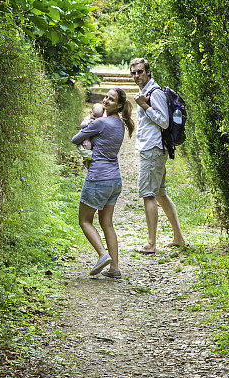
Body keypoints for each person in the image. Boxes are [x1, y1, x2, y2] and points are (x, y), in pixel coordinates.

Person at [71, 89, 134, 278]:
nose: (106, 100)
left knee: (84, 221)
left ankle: (102, 254)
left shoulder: (100, 123)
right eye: (106, 97)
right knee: (107, 223)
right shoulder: (120, 125)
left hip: (98, 178)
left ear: (119, 105)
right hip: (115, 180)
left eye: (111, 99)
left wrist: (88, 123)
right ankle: (114, 268)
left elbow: (76, 139)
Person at [129, 57, 187, 254]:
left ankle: (151, 244)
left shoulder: (155, 93)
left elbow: (163, 121)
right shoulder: (144, 92)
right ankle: (178, 237)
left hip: (153, 149)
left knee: (148, 194)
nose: (137, 76)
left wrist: (144, 106)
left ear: (148, 72)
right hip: (152, 148)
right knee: (160, 194)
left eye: (140, 72)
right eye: (134, 72)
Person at [77, 102, 105, 170]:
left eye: (98, 117)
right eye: (94, 116)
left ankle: (90, 162)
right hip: (86, 138)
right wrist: (88, 123)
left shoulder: (100, 121)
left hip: (93, 138)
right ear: (90, 113)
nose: (95, 118)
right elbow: (82, 125)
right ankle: (86, 161)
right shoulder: (87, 119)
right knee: (87, 146)